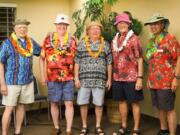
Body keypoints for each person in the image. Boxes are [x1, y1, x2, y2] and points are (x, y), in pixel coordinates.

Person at [0, 19, 41, 135]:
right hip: (11, 82)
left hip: (27, 81)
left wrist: (49, 40)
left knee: (22, 106)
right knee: (8, 109)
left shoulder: (31, 42)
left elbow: (42, 52)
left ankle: (18, 131)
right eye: (20, 27)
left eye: (24, 27)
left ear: (27, 29)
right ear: (15, 29)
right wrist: (2, 83)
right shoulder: (7, 43)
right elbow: (0, 63)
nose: (22, 29)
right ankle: (4, 133)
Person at [40, 14, 76, 135]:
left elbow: (77, 60)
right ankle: (56, 127)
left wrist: (76, 77)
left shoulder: (73, 40)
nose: (62, 26)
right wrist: (42, 75)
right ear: (56, 26)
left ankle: (69, 129)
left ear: (67, 26)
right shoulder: (47, 39)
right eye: (59, 24)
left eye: (64, 25)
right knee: (54, 102)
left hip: (69, 77)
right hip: (52, 77)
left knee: (69, 103)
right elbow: (41, 58)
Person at [74, 21, 113, 135]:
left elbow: (109, 63)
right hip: (84, 80)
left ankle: (98, 126)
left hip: (100, 79)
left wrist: (109, 79)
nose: (95, 31)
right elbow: (77, 62)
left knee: (99, 104)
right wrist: (76, 78)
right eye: (93, 29)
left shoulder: (106, 44)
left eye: (98, 29)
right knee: (83, 103)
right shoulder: (81, 44)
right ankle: (84, 126)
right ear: (88, 31)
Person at [145, 13, 180, 135]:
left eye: (156, 23)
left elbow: (178, 57)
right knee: (160, 107)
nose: (153, 26)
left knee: (169, 108)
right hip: (154, 80)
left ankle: (172, 133)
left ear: (162, 24)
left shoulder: (170, 38)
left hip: (167, 81)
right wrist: (149, 78)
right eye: (151, 24)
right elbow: (151, 61)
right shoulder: (151, 41)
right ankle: (163, 130)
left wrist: (176, 78)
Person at [112, 13, 144, 135]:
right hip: (117, 77)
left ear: (129, 24)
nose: (122, 25)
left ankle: (136, 128)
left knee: (134, 102)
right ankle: (124, 126)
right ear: (116, 26)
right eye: (119, 23)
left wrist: (140, 78)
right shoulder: (115, 40)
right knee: (121, 101)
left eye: (124, 22)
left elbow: (140, 59)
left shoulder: (134, 39)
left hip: (132, 77)